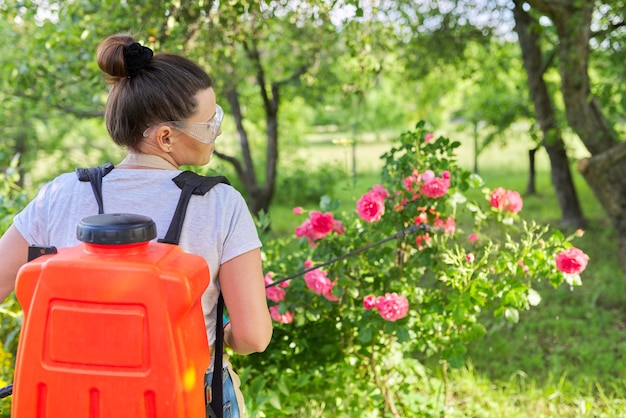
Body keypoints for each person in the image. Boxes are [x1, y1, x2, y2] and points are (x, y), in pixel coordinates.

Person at [0, 33, 273, 417]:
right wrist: (221, 337)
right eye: (210, 123)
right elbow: (253, 336)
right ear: (165, 136)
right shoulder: (219, 204)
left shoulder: (59, 194)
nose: (219, 130)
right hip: (180, 399)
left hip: (72, 398)